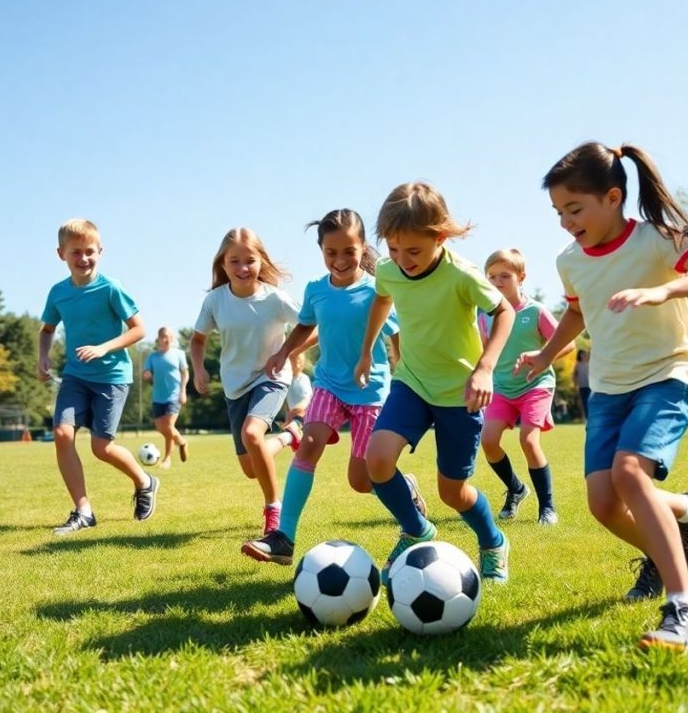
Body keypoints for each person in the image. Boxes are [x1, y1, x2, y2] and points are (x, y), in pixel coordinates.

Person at [515, 142, 688, 651]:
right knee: (603, 503)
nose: (564, 221)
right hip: (609, 389)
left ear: (614, 197)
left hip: (669, 373)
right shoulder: (569, 261)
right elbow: (577, 312)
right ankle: (686, 511)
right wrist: (546, 355)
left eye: (574, 209)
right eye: (558, 212)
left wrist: (665, 290)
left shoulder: (656, 240)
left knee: (629, 473)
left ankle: (686, 611)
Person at [242, 208, 426, 565]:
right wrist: (284, 352)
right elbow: (305, 325)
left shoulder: (377, 291)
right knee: (307, 445)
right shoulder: (315, 290)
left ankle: (407, 491)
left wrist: (406, 371)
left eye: (348, 252)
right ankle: (284, 538)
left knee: (362, 479)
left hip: (370, 391)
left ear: (362, 249)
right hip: (328, 384)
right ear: (321, 250)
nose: (339, 260)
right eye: (331, 252)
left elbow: (399, 336)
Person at [354, 183, 515, 586]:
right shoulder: (389, 271)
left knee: (453, 492)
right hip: (412, 381)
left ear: (439, 237)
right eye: (393, 248)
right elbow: (382, 299)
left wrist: (484, 369)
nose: (401, 260)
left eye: (413, 251)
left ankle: (493, 542)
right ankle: (415, 529)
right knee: (377, 459)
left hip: (460, 394)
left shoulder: (462, 274)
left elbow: (505, 311)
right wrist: (367, 350)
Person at [38, 219, 158, 535]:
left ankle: (145, 482)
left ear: (100, 251)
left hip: (112, 376)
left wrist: (104, 348)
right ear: (61, 253)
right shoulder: (58, 293)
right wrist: (43, 356)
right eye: (75, 252)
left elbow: (139, 329)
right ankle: (83, 512)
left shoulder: (110, 288)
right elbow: (47, 329)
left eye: (89, 251)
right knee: (63, 435)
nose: (83, 259)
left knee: (101, 447)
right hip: (76, 375)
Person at [191, 228, 308, 537]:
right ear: (223, 264)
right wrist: (199, 369)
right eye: (234, 261)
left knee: (252, 434)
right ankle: (290, 436)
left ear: (261, 262)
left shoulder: (275, 298)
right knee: (249, 467)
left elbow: (313, 326)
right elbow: (198, 339)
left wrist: (286, 352)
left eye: (250, 260)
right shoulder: (215, 301)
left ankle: (274, 511)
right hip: (234, 386)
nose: (243, 268)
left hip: (271, 378)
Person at [479, 248, 573, 525]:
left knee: (528, 440)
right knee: (488, 441)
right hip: (502, 388)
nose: (497, 282)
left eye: (504, 276)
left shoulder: (535, 311)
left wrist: (542, 359)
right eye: (492, 277)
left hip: (536, 385)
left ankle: (547, 507)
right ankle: (516, 489)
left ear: (521, 277)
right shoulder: (485, 315)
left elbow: (566, 343)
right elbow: (486, 352)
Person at [142, 326, 190, 468]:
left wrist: (183, 391)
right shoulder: (152, 357)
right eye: (163, 336)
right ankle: (182, 441)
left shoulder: (179, 354)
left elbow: (185, 373)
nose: (166, 339)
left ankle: (167, 459)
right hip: (158, 397)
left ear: (172, 338)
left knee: (169, 426)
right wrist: (146, 375)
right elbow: (146, 374)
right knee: (161, 428)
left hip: (174, 395)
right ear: (159, 339)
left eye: (168, 336)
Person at [572, 349, 591, 423]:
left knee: (590, 402)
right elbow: (574, 375)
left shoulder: (590, 363)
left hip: (591, 386)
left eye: (585, 354)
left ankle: (592, 418)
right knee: (585, 403)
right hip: (582, 386)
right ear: (579, 355)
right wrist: (575, 385)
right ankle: (587, 419)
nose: (584, 355)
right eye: (582, 354)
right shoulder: (578, 365)